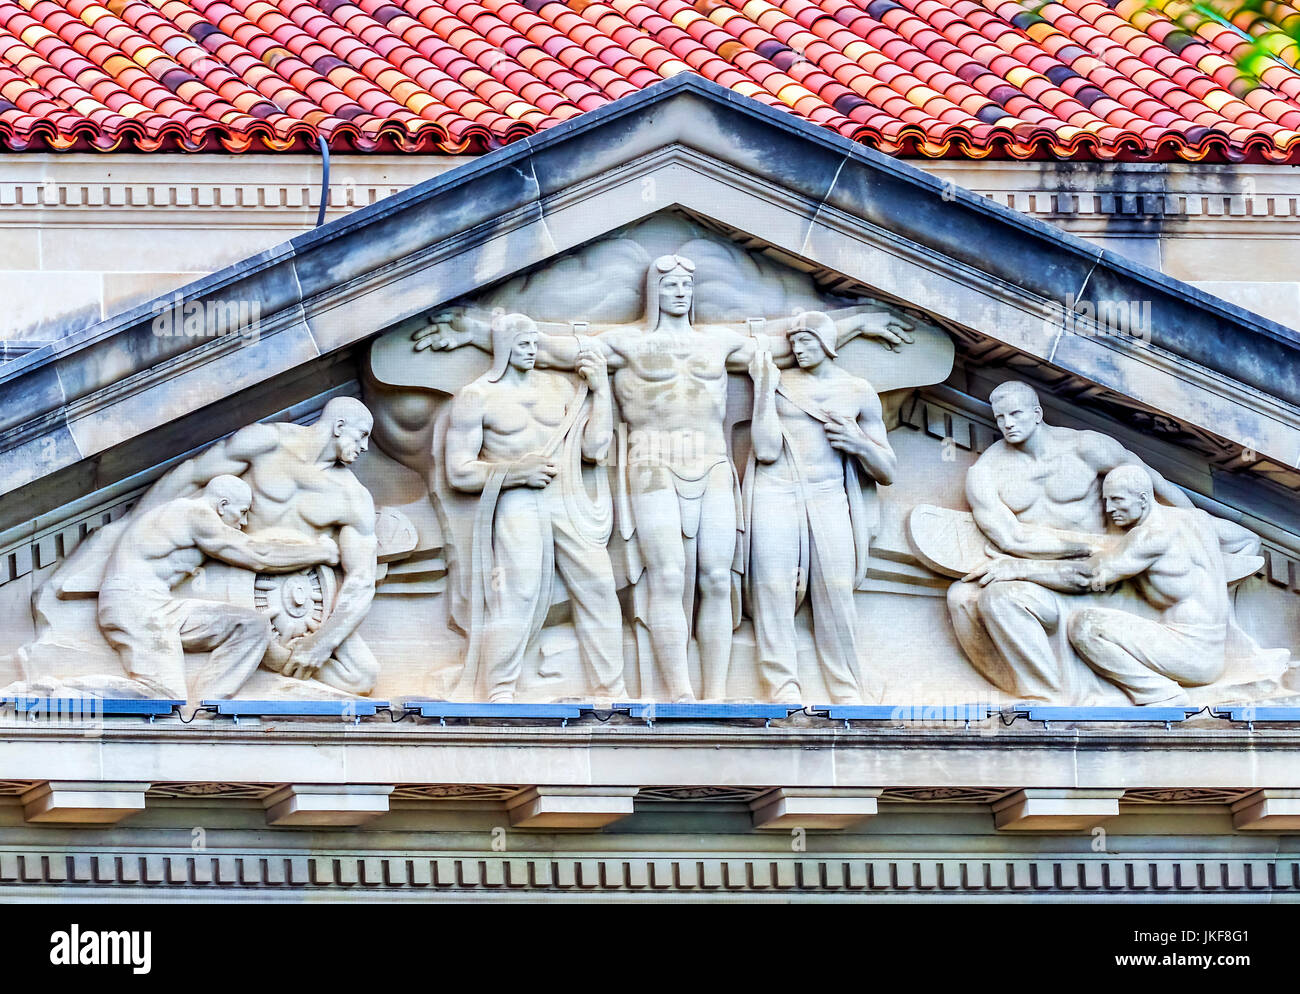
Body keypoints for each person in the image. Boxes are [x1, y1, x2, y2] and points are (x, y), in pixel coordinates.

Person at [418, 255, 911, 701]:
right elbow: (549, 347)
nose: (680, 293)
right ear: (655, 292)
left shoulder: (719, 343)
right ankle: (678, 693)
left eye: (685, 285)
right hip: (650, 462)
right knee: (668, 577)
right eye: (670, 285)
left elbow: (794, 344)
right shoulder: (625, 343)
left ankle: (715, 696)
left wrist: (860, 322)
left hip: (713, 461)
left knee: (719, 578)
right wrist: (472, 330)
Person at [946, 380, 1209, 701]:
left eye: (1015, 413)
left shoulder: (1087, 447)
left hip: (1109, 579)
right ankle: (1047, 698)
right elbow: (1012, 537)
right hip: (1046, 578)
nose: (1007, 424)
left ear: (1037, 412)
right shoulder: (986, 472)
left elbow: (1150, 482)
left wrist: (1196, 525)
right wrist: (1089, 545)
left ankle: (1049, 699)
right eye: (1000, 417)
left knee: (1002, 597)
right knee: (963, 597)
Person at [442, 313, 626, 702]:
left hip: (567, 497)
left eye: (534, 343)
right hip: (518, 499)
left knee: (598, 585)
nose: (532, 350)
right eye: (523, 343)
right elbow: (458, 471)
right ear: (504, 347)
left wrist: (601, 391)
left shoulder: (559, 389)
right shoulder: (477, 396)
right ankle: (499, 691)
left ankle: (611, 691)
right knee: (518, 592)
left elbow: (595, 450)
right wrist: (513, 472)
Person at [965, 465, 1251, 705]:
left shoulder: (1150, 537)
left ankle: (1159, 694)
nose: (1109, 509)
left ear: (1143, 498)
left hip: (1190, 653)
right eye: (1106, 501)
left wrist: (1019, 567)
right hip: (1209, 649)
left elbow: (1089, 577)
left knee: (1087, 627)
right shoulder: (1197, 519)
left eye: (1117, 500)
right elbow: (1250, 542)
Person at [745, 313, 896, 703]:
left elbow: (888, 471)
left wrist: (858, 442)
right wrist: (763, 390)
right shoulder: (781, 384)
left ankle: (846, 689)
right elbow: (764, 450)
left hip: (830, 495)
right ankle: (782, 687)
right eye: (793, 342)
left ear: (828, 344)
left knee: (836, 589)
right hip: (775, 491)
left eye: (807, 341)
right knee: (773, 588)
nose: (797, 348)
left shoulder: (858, 390)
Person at [97, 475, 338, 700]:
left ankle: (209, 704)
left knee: (251, 625)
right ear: (222, 505)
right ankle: (65, 692)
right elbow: (258, 555)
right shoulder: (196, 515)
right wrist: (320, 552)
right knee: (164, 696)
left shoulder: (187, 515)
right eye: (242, 512)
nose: (243, 523)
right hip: (134, 604)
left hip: (160, 606)